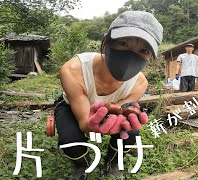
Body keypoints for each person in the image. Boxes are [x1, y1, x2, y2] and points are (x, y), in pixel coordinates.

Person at [54, 11, 163, 180]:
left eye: (144, 50)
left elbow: (119, 111)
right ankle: (82, 166)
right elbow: (84, 122)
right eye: (123, 43)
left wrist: (111, 118)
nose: (131, 55)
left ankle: (112, 163)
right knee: (70, 139)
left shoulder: (140, 83)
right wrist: (90, 125)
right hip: (71, 106)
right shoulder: (73, 70)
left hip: (109, 111)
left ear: (150, 57)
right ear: (106, 42)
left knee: (130, 132)